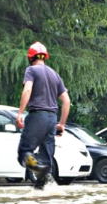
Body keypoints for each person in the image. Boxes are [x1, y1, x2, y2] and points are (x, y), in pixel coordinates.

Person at [16, 41, 70, 190]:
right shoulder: (55, 74)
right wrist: (62, 124)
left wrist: (20, 112)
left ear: (30, 57)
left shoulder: (31, 70)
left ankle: (38, 169)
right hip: (52, 119)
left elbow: (27, 91)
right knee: (47, 162)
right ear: (45, 57)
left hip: (37, 116)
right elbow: (66, 101)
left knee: (24, 153)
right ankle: (43, 196)